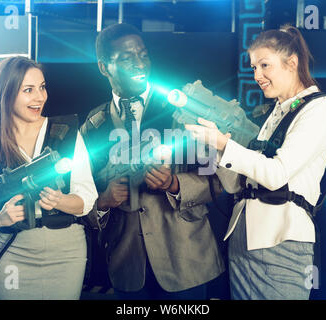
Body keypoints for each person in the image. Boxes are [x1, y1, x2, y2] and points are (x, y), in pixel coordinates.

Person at [185, 25, 326, 300]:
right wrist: (217, 150)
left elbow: (277, 174)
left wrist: (225, 145)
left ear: (291, 63)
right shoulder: (277, 112)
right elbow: (238, 186)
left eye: (264, 65)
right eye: (254, 67)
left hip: (281, 241)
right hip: (244, 239)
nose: (257, 75)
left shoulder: (320, 107)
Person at [80, 23, 225, 300]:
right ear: (103, 67)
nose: (139, 64)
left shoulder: (183, 109)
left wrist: (175, 184)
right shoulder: (93, 126)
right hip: (128, 268)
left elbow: (217, 180)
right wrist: (102, 201)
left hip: (187, 262)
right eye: (126, 58)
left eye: (143, 54)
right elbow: (81, 193)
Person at [0, 56, 98, 300]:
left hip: (67, 254)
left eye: (42, 87)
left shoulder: (66, 132)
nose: (40, 97)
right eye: (28, 90)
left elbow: (87, 198)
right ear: (6, 94)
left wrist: (60, 201)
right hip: (11, 252)